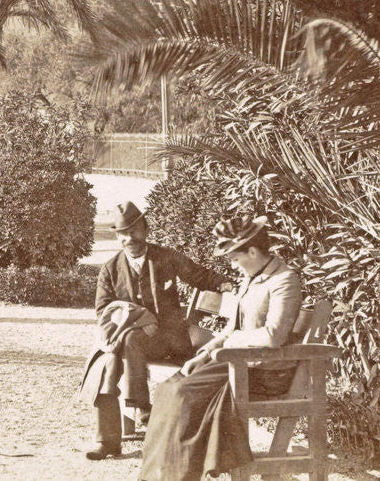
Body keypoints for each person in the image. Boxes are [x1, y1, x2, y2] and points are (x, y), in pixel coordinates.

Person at [139, 214, 303, 481]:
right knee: (168, 389)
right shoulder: (252, 278)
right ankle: (157, 476)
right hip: (237, 363)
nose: (234, 266)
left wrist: (232, 341)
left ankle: (180, 475)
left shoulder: (284, 280)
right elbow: (229, 330)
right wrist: (204, 354)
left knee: (183, 395)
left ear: (252, 252)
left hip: (265, 371)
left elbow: (273, 336)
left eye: (235, 259)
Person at [80, 201, 233, 461]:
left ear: (146, 229)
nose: (129, 238)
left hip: (171, 340)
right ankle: (108, 440)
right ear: (117, 236)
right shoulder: (110, 269)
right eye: (123, 233)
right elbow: (103, 311)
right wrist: (139, 318)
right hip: (132, 342)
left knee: (126, 344)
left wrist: (225, 284)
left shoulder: (166, 257)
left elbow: (199, 275)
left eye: (134, 231)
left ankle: (140, 412)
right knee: (107, 362)